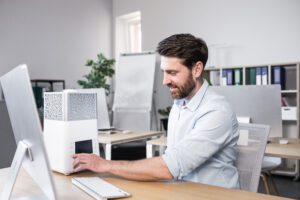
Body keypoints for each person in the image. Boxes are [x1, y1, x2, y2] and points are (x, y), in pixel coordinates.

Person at [73, 33, 240, 189]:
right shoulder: (179, 104)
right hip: (180, 191)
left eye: (172, 73)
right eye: (164, 72)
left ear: (196, 69)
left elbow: (171, 166)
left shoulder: (217, 111)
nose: (165, 81)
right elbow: (170, 162)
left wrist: (106, 165)